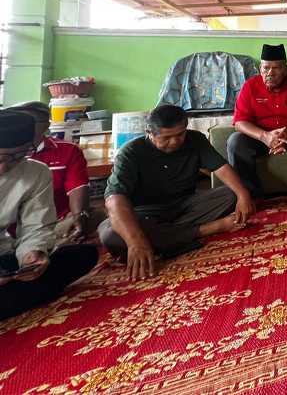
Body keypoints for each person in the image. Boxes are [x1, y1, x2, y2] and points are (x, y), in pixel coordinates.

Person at [98, 105, 256, 281]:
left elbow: (221, 167)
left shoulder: (195, 139)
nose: (174, 142)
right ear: (149, 132)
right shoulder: (130, 151)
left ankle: (166, 235)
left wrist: (243, 194)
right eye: (165, 137)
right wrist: (135, 241)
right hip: (147, 213)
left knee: (232, 194)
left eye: (180, 134)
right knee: (110, 235)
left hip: (186, 205)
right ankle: (205, 229)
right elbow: (114, 199)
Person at [0, 110, 98, 321]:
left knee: (83, 256)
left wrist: (31, 253)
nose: (4, 167)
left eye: (18, 157)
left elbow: (36, 225)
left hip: (3, 257)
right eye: (2, 157)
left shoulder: (35, 172)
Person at [228, 43, 287, 197]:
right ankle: (252, 193)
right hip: (260, 137)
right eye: (266, 68)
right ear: (260, 70)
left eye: (276, 68)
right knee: (235, 142)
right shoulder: (249, 86)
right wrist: (265, 136)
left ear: (286, 69)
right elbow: (240, 123)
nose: (270, 73)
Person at [9, 101, 91, 243]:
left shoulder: (68, 150)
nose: (19, 125)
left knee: (96, 217)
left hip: (55, 221)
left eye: (27, 121)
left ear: (45, 126)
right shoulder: (6, 152)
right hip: (7, 224)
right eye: (15, 120)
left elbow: (77, 187)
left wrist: (79, 215)